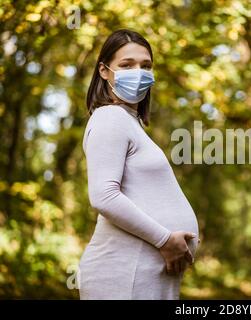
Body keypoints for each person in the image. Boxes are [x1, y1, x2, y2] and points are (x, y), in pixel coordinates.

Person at [78, 29, 200, 299]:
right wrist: (165, 240)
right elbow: (104, 196)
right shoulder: (110, 118)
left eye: (146, 66)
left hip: (140, 273)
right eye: (127, 65)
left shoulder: (129, 122)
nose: (139, 72)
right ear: (104, 71)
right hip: (121, 274)